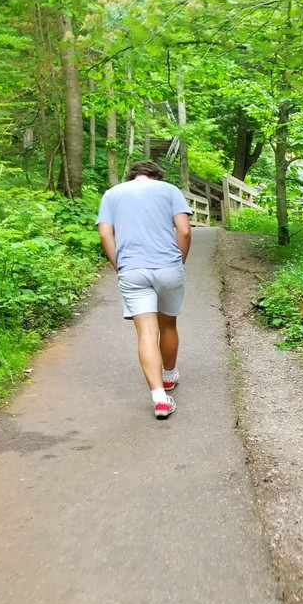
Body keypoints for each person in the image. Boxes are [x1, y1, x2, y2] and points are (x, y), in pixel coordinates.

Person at [96, 161, 192, 419]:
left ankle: (160, 400)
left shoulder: (112, 194)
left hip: (132, 269)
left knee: (146, 333)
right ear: (156, 176)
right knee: (168, 324)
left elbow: (106, 235)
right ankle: (169, 377)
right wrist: (178, 262)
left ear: (132, 176)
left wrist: (120, 266)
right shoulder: (169, 189)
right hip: (168, 266)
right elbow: (183, 230)